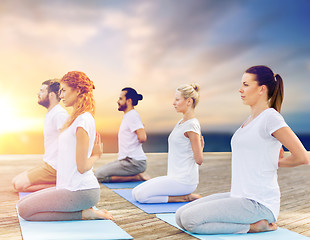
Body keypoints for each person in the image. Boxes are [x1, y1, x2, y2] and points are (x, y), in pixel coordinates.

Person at [176, 65, 309, 234]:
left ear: (261, 89)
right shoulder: (250, 119)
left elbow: (302, 157)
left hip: (259, 203)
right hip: (239, 195)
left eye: (246, 85)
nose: (240, 90)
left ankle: (254, 226)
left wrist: (275, 162)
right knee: (180, 215)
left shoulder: (271, 117)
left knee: (190, 220)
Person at [17, 71, 113, 221]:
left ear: (78, 90)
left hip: (81, 191)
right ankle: (82, 210)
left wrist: (95, 155)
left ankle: (85, 214)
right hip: (67, 187)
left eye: (64, 90)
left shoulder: (83, 121)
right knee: (22, 203)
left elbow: (82, 167)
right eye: (60, 91)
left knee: (24, 211)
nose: (61, 95)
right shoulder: (74, 119)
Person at [132, 83, 204, 203]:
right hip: (173, 178)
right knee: (135, 192)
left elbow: (199, 160)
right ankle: (183, 196)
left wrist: (200, 147)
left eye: (177, 99)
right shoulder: (181, 122)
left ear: (189, 101)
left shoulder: (192, 125)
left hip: (184, 181)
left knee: (141, 196)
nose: (173, 103)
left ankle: (184, 198)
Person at [12, 80, 68, 192]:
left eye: (42, 91)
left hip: (56, 168)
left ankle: (63, 186)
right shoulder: (51, 113)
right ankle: (60, 184)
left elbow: (69, 141)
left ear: (51, 95)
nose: (38, 93)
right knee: (15, 181)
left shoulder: (59, 115)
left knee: (19, 185)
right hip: (48, 165)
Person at [95, 87, 149, 182]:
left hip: (134, 162)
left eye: (120, 99)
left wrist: (140, 130)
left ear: (128, 101)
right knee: (97, 172)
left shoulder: (132, 115)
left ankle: (136, 177)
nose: (117, 101)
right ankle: (135, 174)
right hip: (127, 161)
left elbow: (142, 137)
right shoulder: (129, 115)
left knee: (98, 176)